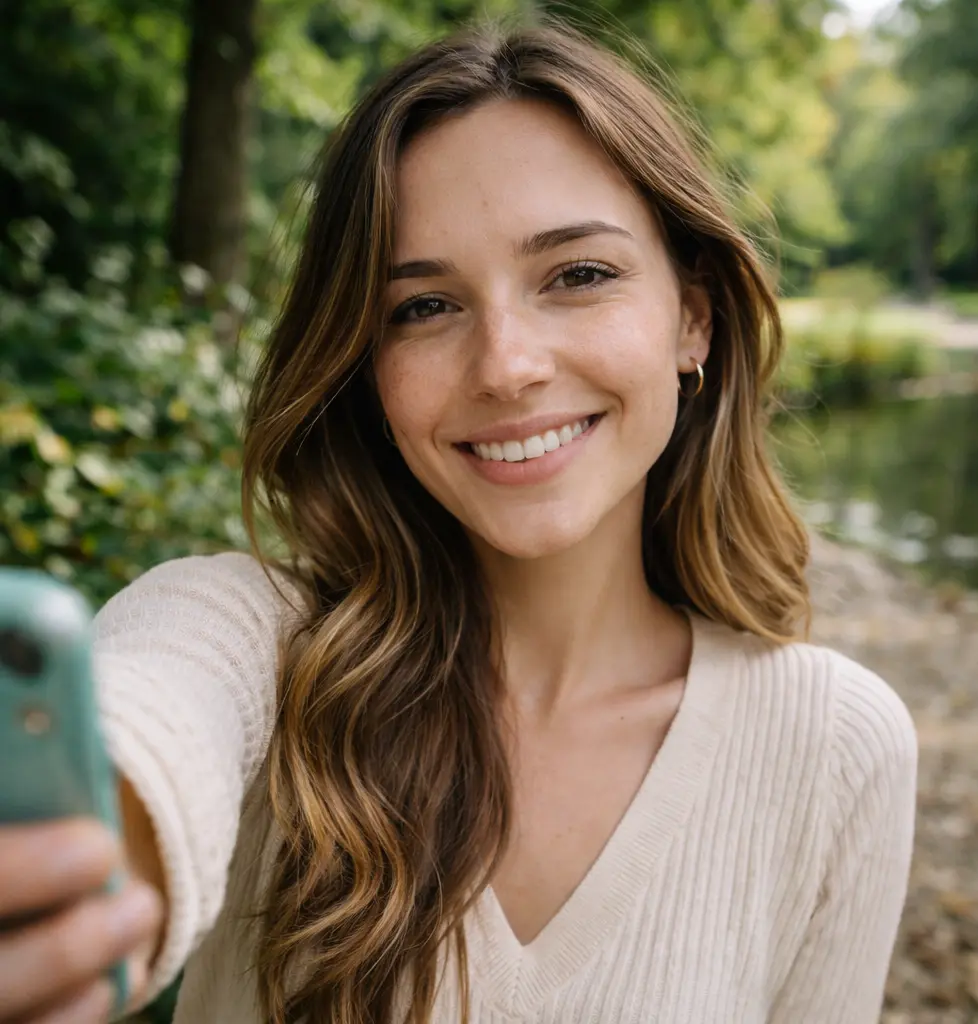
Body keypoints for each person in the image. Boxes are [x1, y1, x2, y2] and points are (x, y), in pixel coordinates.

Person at [0, 20, 918, 1024]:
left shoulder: (834, 748)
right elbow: (155, 710)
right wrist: (86, 862)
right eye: (424, 307)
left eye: (578, 275)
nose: (507, 366)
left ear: (692, 317)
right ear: (366, 366)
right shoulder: (263, 643)